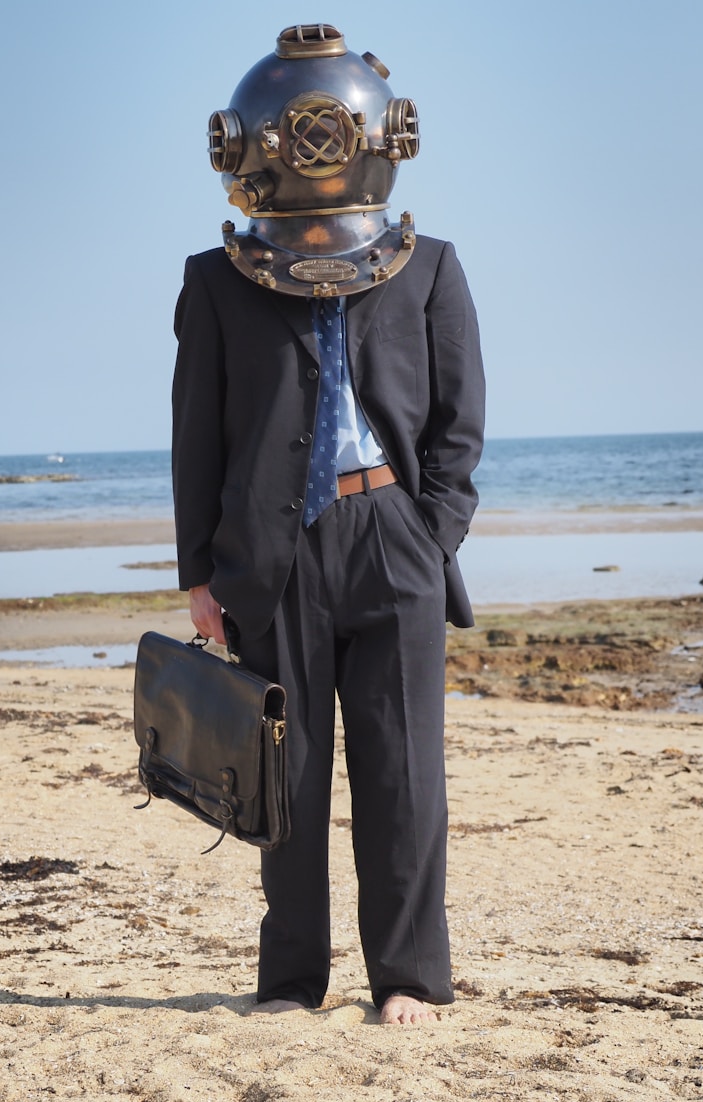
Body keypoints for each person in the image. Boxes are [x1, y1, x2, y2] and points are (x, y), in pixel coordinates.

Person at [171, 24, 485, 1025]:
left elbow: (459, 424)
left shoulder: (430, 268)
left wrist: (432, 535)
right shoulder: (215, 280)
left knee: (405, 776)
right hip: (272, 553)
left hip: (393, 535)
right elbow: (195, 436)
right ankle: (291, 982)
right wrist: (199, 574)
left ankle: (409, 980)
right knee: (286, 779)